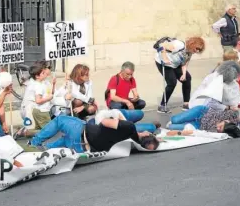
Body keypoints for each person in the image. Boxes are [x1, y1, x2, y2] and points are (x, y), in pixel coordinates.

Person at [28, 115, 160, 153]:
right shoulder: (131, 145)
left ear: (146, 134)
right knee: (62, 141)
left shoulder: (129, 127)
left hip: (80, 132)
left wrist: (117, 118)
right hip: (80, 147)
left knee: (59, 120)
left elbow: (104, 122)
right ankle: (42, 150)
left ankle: (34, 142)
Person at [155, 36, 205, 113]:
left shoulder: (190, 52)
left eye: (199, 50)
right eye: (197, 48)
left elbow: (184, 63)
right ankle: (162, 106)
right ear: (192, 44)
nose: (197, 51)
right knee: (172, 82)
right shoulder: (179, 45)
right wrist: (165, 58)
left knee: (187, 78)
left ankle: (186, 103)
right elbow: (162, 46)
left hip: (175, 64)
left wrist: (184, 74)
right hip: (163, 62)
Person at [15, 61, 55, 139]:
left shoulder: (43, 82)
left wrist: (53, 84)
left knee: (43, 129)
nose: (48, 71)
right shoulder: (37, 84)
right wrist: (48, 98)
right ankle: (26, 132)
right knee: (48, 131)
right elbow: (38, 100)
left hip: (40, 109)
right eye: (44, 72)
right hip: (35, 109)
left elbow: (49, 93)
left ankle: (29, 133)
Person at [166, 105, 240, 133]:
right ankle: (180, 119)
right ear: (225, 121)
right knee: (174, 120)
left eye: (220, 130)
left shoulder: (223, 131)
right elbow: (236, 114)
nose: (218, 128)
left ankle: (185, 121)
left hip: (199, 125)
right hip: (202, 112)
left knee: (170, 127)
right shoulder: (230, 115)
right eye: (220, 126)